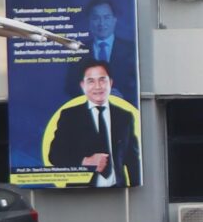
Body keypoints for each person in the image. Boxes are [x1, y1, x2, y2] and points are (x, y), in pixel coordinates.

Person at [42, 58, 141, 188]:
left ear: (110, 83)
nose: (98, 86)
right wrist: (84, 161)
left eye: (102, 80)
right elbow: (54, 155)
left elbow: (132, 159)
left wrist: (136, 190)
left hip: (117, 189)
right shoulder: (70, 116)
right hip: (81, 191)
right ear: (83, 85)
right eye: (91, 81)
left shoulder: (124, 116)